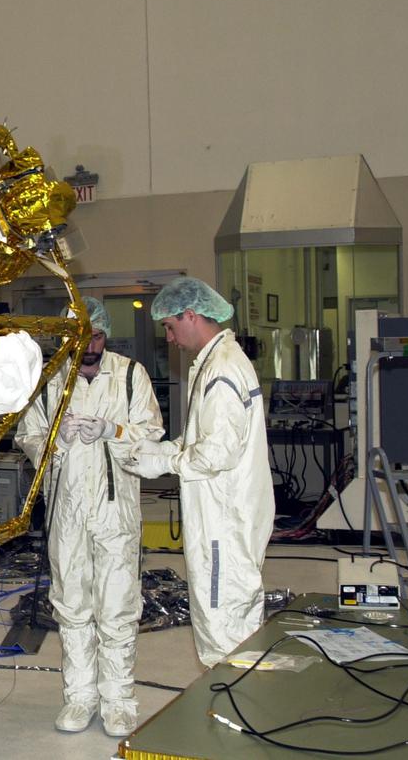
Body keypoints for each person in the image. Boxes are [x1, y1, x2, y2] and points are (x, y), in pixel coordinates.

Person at [16, 297, 163, 737]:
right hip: (66, 511)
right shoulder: (49, 382)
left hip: (116, 512)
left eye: (96, 337)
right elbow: (28, 437)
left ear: (105, 335)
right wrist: (54, 439)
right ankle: (80, 696)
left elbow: (151, 436)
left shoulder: (131, 376)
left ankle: (119, 700)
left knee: (117, 606)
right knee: (72, 606)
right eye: (81, 339)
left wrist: (112, 431)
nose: (90, 347)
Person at [126, 277, 274, 668]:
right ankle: (234, 704)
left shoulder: (222, 370)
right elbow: (201, 437)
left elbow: (215, 454)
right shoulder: (215, 362)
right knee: (227, 620)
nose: (170, 339)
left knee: (225, 629)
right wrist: (162, 449)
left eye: (171, 327)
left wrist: (164, 462)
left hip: (224, 523)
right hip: (226, 516)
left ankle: (235, 710)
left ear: (190, 315)